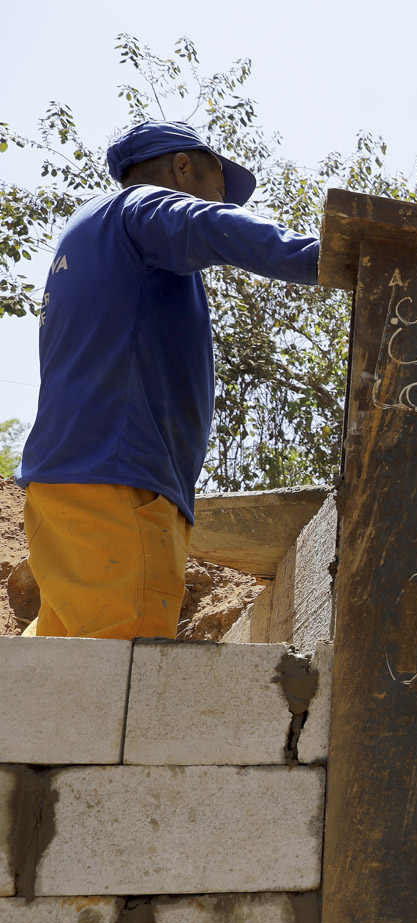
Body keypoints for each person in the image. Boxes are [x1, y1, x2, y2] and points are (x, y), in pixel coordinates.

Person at [19, 120, 321, 638]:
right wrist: (333, 257)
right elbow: (209, 224)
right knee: (119, 684)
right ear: (182, 168)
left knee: (62, 668)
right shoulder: (141, 207)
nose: (222, 205)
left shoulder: (89, 234)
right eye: (218, 192)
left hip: (62, 491)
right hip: (120, 490)